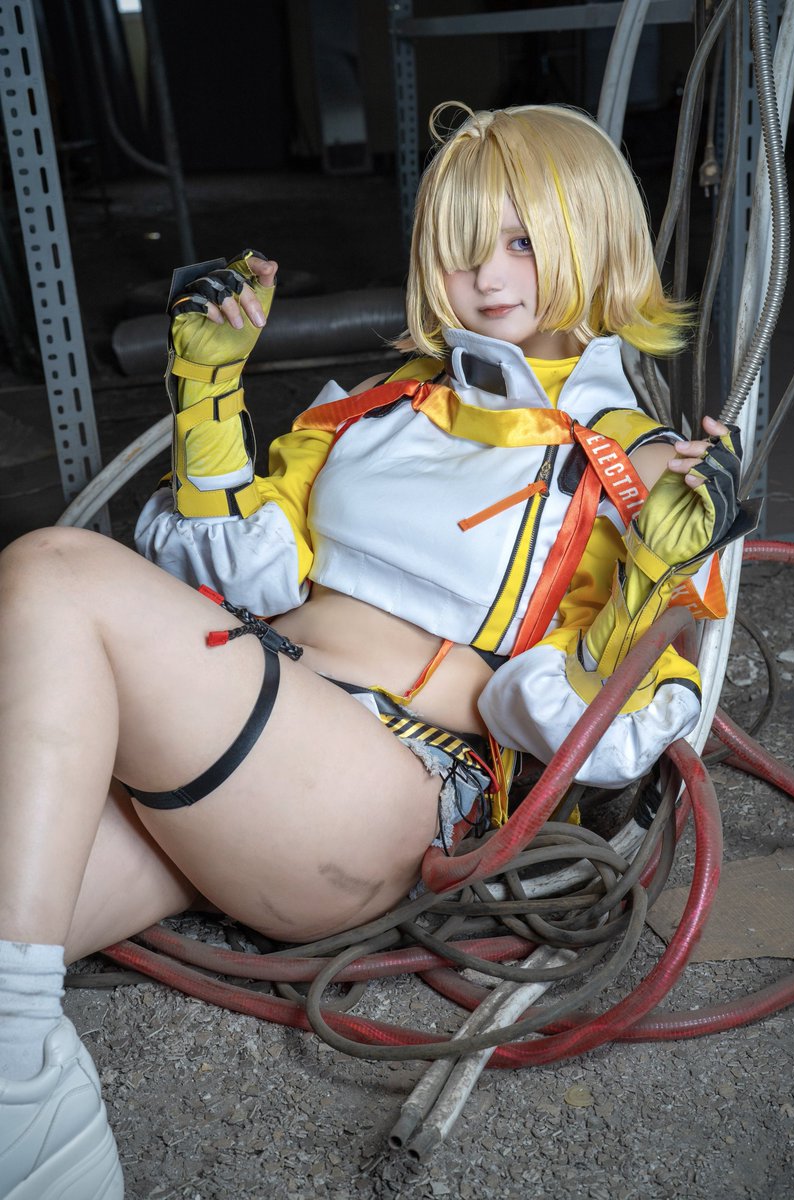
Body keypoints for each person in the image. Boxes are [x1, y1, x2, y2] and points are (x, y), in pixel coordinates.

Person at [0, 102, 746, 1199]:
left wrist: (645, 585)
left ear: (595, 239)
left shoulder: (646, 474)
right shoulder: (375, 408)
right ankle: (40, 1132)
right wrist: (207, 394)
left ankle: (21, 1083)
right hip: (248, 754)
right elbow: (241, 571)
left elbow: (604, 741)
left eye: (522, 240)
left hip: (383, 786)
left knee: (57, 570)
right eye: (460, 244)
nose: (486, 275)